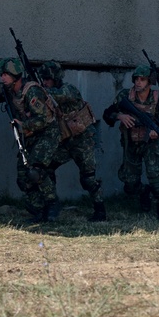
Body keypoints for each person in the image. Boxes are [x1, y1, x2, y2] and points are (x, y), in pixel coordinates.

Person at [0, 58, 61, 222]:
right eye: (1, 74)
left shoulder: (31, 91)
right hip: (28, 134)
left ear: (15, 75)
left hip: (47, 133)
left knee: (36, 169)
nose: (2, 78)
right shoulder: (7, 90)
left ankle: (52, 203)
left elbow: (45, 119)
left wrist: (23, 124)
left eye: (5, 74)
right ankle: (38, 210)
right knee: (23, 176)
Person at [103, 65, 159, 220]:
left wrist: (158, 132)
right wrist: (119, 116)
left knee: (155, 180)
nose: (138, 82)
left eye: (142, 79)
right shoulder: (125, 96)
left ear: (149, 81)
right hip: (131, 143)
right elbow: (107, 113)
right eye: (136, 79)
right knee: (129, 184)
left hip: (150, 144)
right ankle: (144, 193)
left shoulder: (158, 99)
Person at [39, 60, 106, 222]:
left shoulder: (69, 90)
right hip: (65, 141)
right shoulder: (47, 93)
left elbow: (57, 96)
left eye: (47, 79)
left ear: (56, 78)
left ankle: (100, 210)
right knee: (46, 168)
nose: (45, 83)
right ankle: (51, 204)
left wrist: (36, 90)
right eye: (43, 80)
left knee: (88, 178)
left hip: (82, 141)